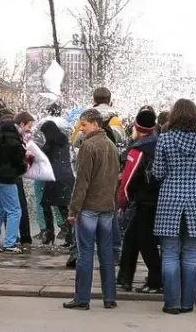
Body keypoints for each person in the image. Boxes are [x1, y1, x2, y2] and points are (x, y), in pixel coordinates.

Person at [152, 99, 196, 315]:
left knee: (169, 253)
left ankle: (172, 303)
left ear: (174, 116)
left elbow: (158, 172)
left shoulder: (165, 139)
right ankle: (188, 303)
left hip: (170, 198)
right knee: (191, 254)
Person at [63, 109, 120, 311]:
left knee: (85, 253)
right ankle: (110, 297)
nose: (81, 128)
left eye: (84, 125)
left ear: (95, 124)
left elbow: (82, 182)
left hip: (88, 207)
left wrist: (73, 210)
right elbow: (116, 180)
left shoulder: (89, 146)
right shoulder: (111, 146)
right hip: (107, 207)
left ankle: (82, 298)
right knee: (106, 253)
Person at [117, 109, 162, 294]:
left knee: (146, 241)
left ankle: (155, 280)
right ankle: (124, 278)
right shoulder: (160, 142)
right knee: (131, 238)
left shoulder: (139, 149)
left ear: (136, 126)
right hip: (158, 199)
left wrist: (123, 201)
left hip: (144, 201)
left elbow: (127, 179)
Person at [0, 119, 28, 254]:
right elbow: (19, 161)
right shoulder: (14, 143)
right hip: (6, 178)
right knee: (14, 210)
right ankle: (10, 243)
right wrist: (22, 168)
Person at [40, 120, 74, 246]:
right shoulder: (62, 139)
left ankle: (50, 233)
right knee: (62, 207)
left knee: (47, 205)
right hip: (64, 178)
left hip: (56, 178)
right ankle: (69, 236)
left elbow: (43, 153)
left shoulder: (51, 143)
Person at [13, 111, 36, 245]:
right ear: (22, 124)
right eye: (29, 126)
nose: (31, 129)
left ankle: (17, 236)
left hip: (7, 175)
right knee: (18, 207)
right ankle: (23, 237)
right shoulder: (16, 136)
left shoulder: (12, 134)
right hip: (14, 175)